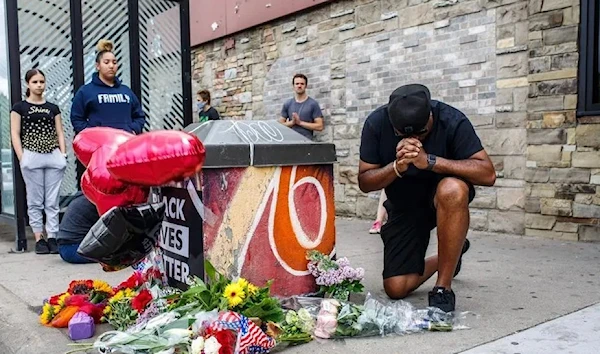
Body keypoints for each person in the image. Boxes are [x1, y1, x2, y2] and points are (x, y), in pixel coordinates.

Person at [358, 84, 496, 312]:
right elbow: (365, 182)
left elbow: (488, 173)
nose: (414, 140)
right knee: (396, 288)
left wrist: (430, 161)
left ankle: (443, 288)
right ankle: (453, 252)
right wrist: (396, 167)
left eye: (421, 133)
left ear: (431, 115)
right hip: (404, 204)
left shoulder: (452, 120)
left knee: (452, 189)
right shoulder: (376, 123)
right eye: (404, 135)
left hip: (443, 198)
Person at [70, 39, 146, 188]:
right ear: (97, 66)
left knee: (128, 187)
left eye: (114, 62)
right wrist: (91, 136)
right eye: (106, 62)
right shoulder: (86, 92)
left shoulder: (126, 91)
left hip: (125, 150)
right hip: (100, 152)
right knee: (103, 187)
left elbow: (139, 116)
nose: (111, 65)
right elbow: (76, 118)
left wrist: (132, 130)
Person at [10, 69, 67, 255]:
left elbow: (60, 132)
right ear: (28, 84)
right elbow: (15, 134)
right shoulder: (19, 108)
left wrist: (63, 155)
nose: (39, 85)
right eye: (35, 82)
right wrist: (22, 157)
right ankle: (39, 238)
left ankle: (52, 236)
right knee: (35, 201)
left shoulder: (53, 108)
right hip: (31, 155)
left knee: (52, 201)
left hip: (52, 155)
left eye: (42, 81)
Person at [56, 192, 99, 264]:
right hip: (74, 249)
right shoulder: (94, 201)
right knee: (117, 256)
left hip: (66, 247)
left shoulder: (85, 197)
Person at [278, 73, 324, 140]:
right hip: (291, 142)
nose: (299, 86)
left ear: (306, 86)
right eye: (297, 84)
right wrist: (292, 123)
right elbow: (279, 126)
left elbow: (320, 126)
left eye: (302, 84)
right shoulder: (287, 103)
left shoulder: (313, 104)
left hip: (307, 143)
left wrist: (300, 123)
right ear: (293, 86)